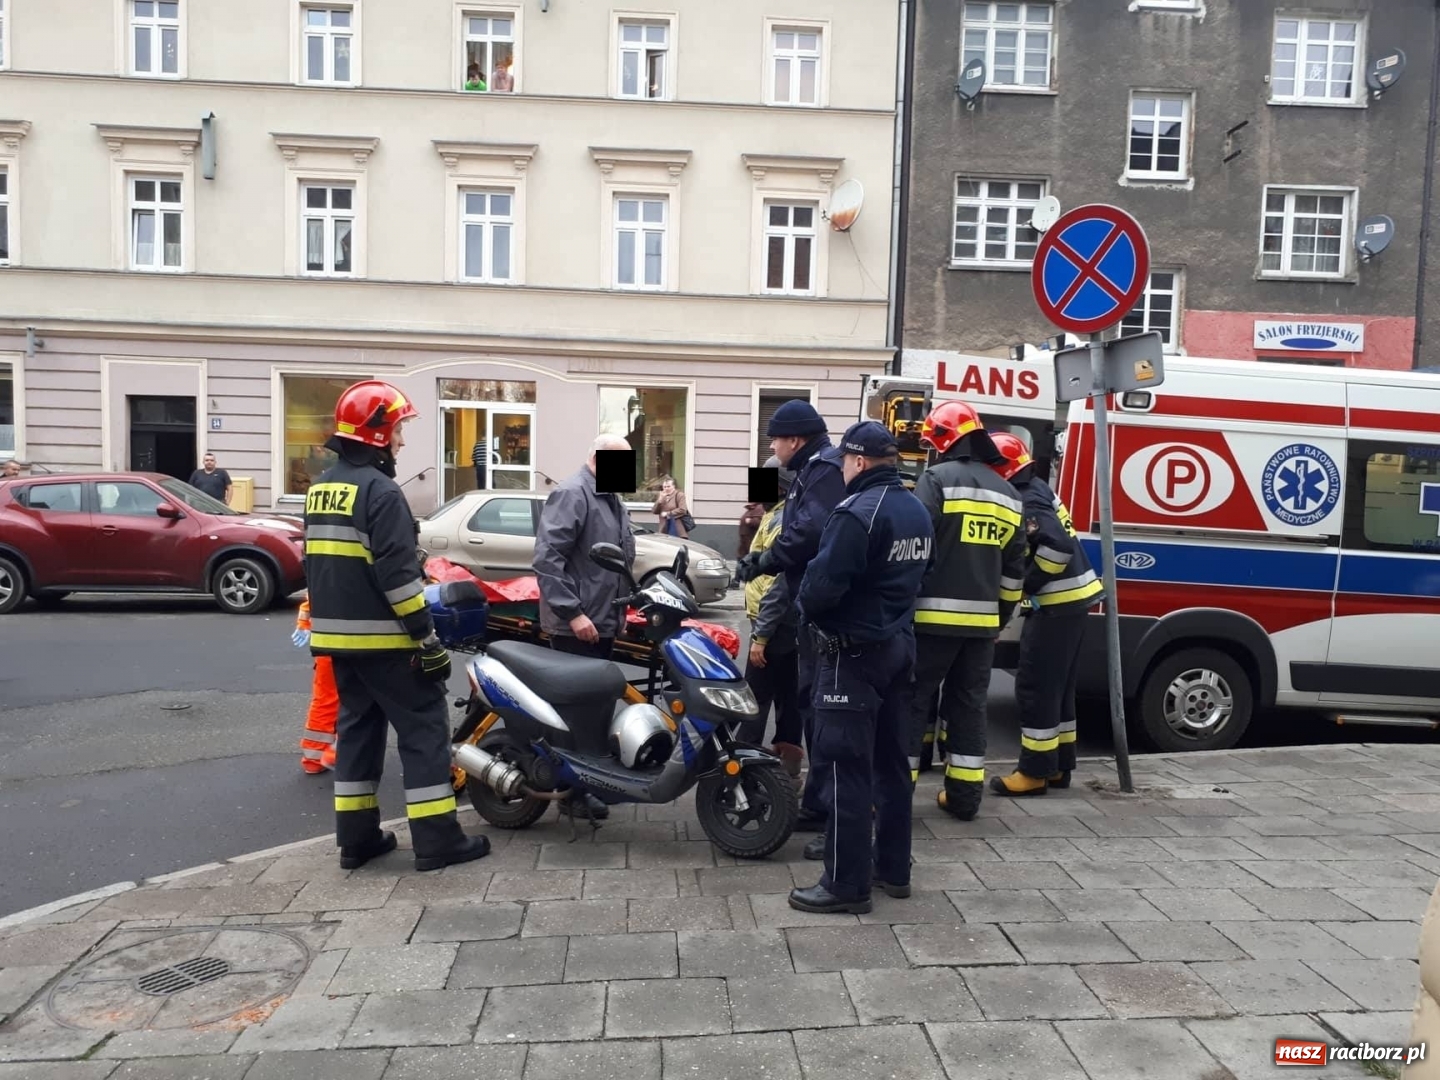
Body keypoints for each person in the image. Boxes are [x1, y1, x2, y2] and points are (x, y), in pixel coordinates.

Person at [304, 379, 488, 872]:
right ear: (378, 433)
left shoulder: (322, 488)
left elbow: (323, 567)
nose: (403, 440)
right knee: (425, 732)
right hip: (388, 643)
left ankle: (357, 840)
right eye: (400, 429)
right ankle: (437, 841)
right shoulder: (381, 492)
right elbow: (398, 578)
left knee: (359, 736)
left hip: (339, 644)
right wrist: (427, 638)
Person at [788, 421, 932, 914]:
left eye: (847, 463)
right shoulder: (916, 509)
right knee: (892, 766)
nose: (844, 470)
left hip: (851, 655)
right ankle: (893, 869)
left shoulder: (856, 513)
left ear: (859, 462)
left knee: (846, 767)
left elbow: (821, 586)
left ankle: (844, 885)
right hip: (898, 647)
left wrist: (807, 611)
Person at [909, 401, 1027, 822]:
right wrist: (999, 618)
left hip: (929, 623)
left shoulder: (936, 480)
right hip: (981, 629)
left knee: (912, 704)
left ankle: (896, 793)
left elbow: (914, 548)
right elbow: (1015, 572)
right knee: (969, 708)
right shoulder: (1009, 493)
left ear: (943, 440)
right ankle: (963, 798)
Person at [733, 400, 847, 833]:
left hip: (789, 624)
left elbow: (789, 568)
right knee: (799, 706)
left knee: (788, 707)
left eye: (776, 440)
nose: (774, 447)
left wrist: (761, 632)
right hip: (793, 621)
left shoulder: (817, 476)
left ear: (794, 441)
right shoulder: (805, 483)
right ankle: (807, 796)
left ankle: (792, 791)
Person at [986, 433, 1103, 796]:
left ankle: (1034, 772)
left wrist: (1028, 584)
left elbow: (1057, 545)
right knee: (1059, 689)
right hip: (1074, 603)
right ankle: (1058, 766)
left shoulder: (1026, 499)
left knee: (1036, 687)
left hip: (1056, 605)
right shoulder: (1037, 487)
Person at [532, 433, 637, 821]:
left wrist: (620, 615)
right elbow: (548, 558)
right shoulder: (574, 493)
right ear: (596, 457)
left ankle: (591, 782)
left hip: (602, 622)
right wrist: (572, 613)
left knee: (596, 710)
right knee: (575, 714)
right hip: (575, 625)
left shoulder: (612, 499)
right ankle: (570, 793)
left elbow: (618, 562)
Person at [740, 456, 802, 775]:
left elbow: (779, 585)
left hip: (774, 626)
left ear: (780, 485)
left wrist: (761, 636)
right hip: (783, 625)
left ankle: (745, 768)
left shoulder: (782, 521)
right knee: (789, 697)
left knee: (754, 698)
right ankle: (788, 773)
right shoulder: (778, 514)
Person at [292, 594, 339, 774]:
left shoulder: (321, 567)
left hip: (325, 641)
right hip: (358, 644)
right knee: (357, 702)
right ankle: (337, 753)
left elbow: (313, 597)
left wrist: (304, 624)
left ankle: (313, 759)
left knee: (325, 699)